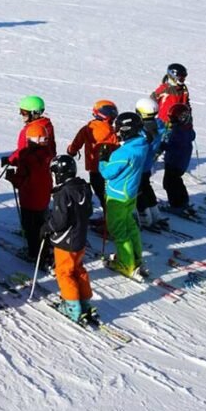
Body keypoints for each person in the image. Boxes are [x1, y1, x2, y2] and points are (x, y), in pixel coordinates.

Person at [42, 154, 97, 326]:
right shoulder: (82, 186)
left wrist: (47, 228)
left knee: (64, 272)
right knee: (78, 268)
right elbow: (88, 211)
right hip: (80, 238)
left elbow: (60, 220)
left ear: (59, 174)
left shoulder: (63, 193)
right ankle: (85, 300)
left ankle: (72, 305)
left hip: (66, 242)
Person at [99, 112, 150, 281]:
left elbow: (108, 173)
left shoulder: (123, 153)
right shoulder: (141, 144)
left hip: (118, 196)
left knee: (119, 231)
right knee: (130, 227)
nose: (117, 133)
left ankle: (126, 264)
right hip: (130, 194)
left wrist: (102, 159)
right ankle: (136, 257)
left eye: (119, 130)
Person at [7, 121, 54, 262]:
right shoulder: (47, 154)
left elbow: (20, 181)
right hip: (44, 197)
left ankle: (34, 253)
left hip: (29, 199)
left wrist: (11, 177)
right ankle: (44, 249)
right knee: (42, 224)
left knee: (30, 227)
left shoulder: (26, 158)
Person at [66, 100, 119, 213]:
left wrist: (71, 151)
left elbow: (77, 143)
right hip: (110, 168)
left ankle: (108, 223)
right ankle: (108, 220)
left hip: (95, 168)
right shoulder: (112, 132)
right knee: (108, 196)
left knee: (102, 195)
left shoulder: (88, 128)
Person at [134, 97, 166, 228]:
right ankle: (155, 214)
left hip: (139, 166)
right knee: (146, 187)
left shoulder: (143, 130)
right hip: (148, 165)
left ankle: (145, 218)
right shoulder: (158, 125)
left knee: (139, 190)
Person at [160, 104, 196, 212]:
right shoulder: (186, 129)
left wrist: (162, 145)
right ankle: (183, 201)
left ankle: (175, 204)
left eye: (173, 119)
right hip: (180, 163)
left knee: (169, 183)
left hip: (174, 162)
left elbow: (173, 146)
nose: (171, 121)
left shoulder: (179, 132)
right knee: (177, 181)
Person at [4, 95, 56, 166]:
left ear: (34, 113)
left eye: (24, 113)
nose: (22, 115)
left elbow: (23, 150)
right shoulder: (47, 125)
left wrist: (11, 160)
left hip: (31, 167)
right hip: (46, 166)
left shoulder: (32, 130)